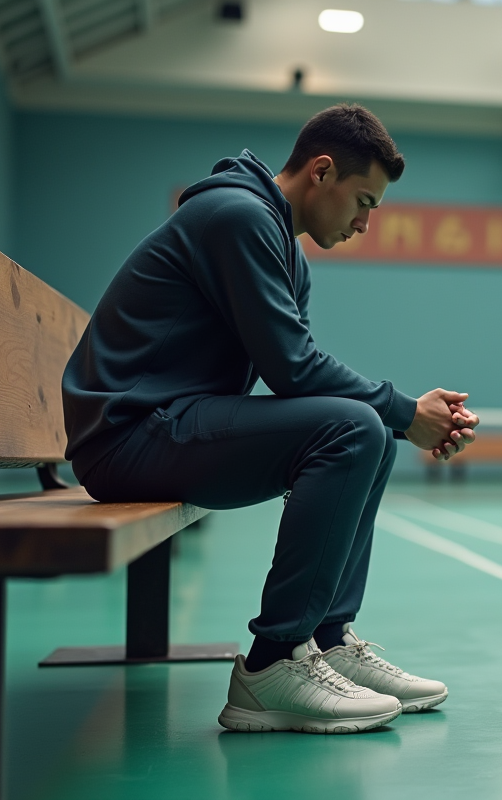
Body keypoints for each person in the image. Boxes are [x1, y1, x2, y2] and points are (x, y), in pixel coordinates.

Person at [61, 103, 477, 734]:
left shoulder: (286, 251)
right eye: (363, 201)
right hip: (127, 436)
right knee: (359, 427)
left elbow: (296, 371)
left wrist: (401, 419)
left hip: (168, 424)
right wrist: (403, 410)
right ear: (321, 171)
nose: (366, 223)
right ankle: (273, 664)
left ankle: (327, 641)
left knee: (369, 434)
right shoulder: (236, 216)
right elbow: (294, 371)